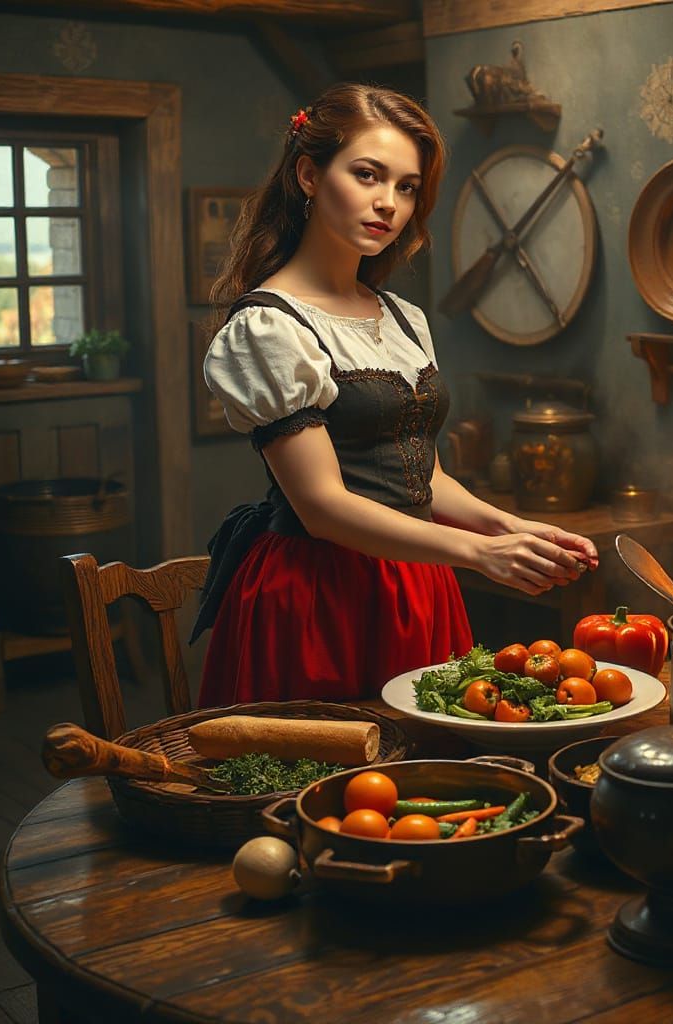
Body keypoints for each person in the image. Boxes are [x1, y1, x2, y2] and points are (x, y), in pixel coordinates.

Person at [192, 84, 598, 707]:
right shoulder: (269, 327)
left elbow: (423, 480)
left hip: (417, 584)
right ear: (308, 174)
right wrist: (477, 553)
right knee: (329, 792)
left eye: (407, 187)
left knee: (424, 787)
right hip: (319, 596)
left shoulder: (403, 318)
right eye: (367, 175)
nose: (388, 203)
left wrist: (513, 529)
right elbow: (324, 506)